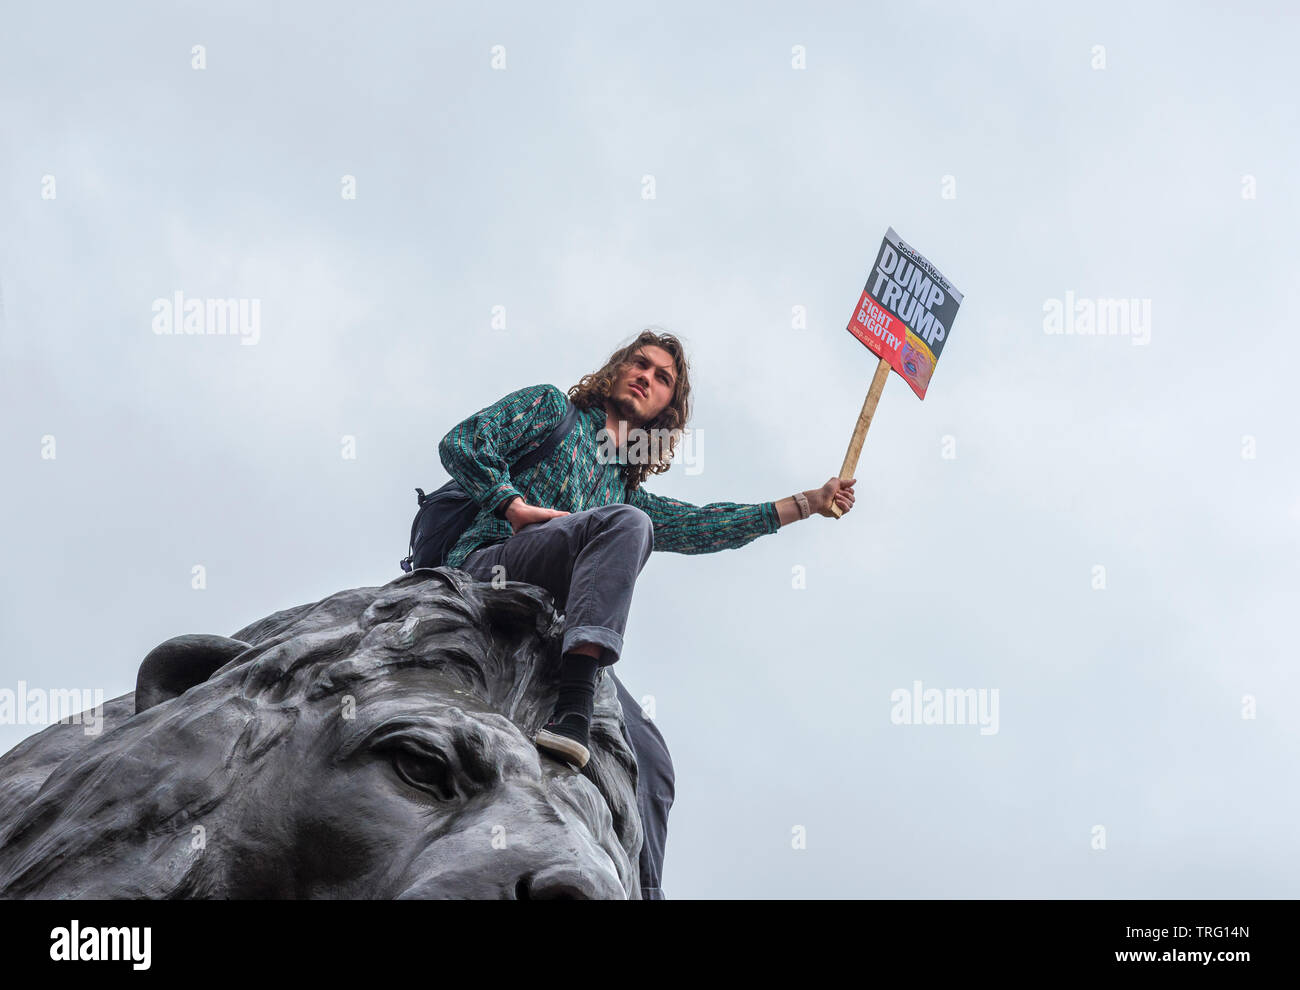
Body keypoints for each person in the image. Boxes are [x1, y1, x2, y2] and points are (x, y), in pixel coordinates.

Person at [437, 329, 856, 897]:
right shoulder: (549, 408)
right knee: (627, 525)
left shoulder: (627, 491)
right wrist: (510, 505)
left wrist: (807, 503)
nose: (647, 377)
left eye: (663, 378)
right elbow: (462, 443)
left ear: (667, 409)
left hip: (555, 625)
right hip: (493, 568)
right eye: (641, 364)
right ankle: (575, 708)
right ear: (616, 370)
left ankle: (645, 891)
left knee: (653, 762)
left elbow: (710, 525)